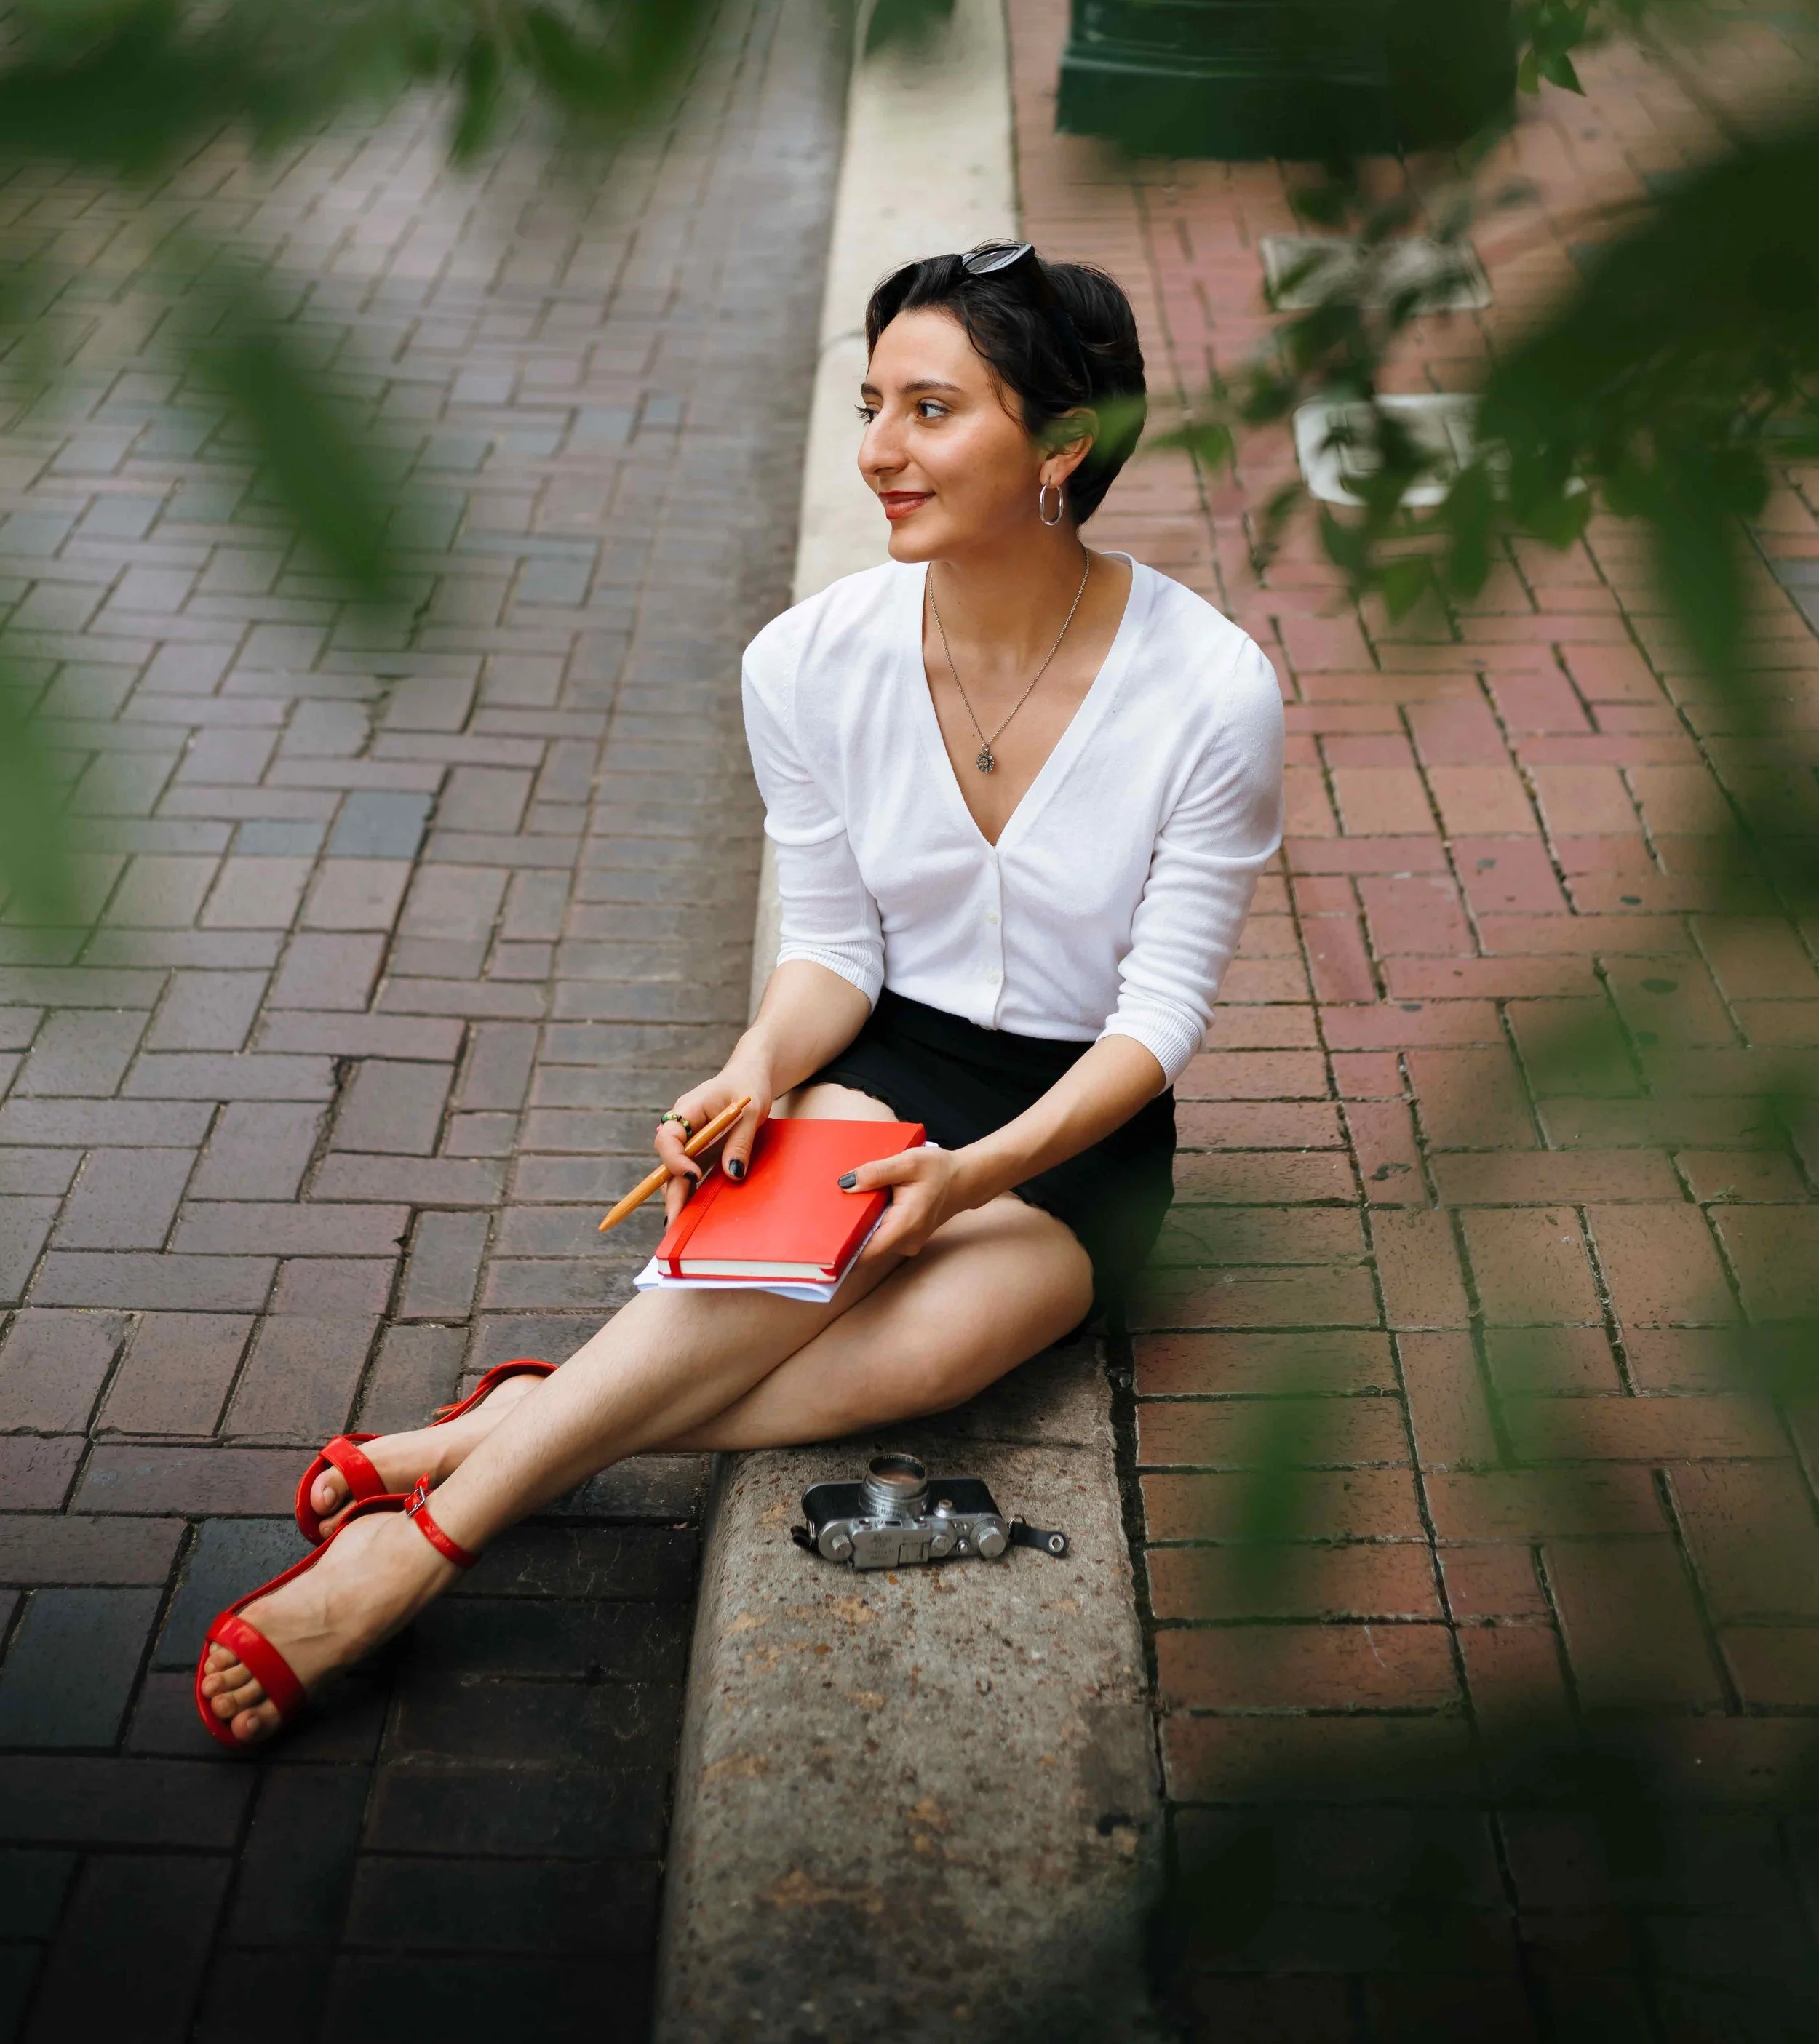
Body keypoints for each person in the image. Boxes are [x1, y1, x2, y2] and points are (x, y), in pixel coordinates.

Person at [197, 240, 1284, 1746]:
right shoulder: (806, 664)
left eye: (928, 410)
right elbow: (835, 950)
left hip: (1070, 1134)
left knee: (916, 1358)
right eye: (870, 404)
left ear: (1061, 441)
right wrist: (758, 1065)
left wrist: (972, 1174)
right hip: (886, 1063)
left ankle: (507, 1425)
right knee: (773, 1273)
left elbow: (1156, 1022)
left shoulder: (1208, 686)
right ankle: (411, 1556)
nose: (876, 454)